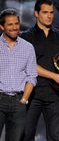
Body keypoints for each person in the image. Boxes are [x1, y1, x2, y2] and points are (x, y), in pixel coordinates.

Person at [21, 0, 59, 141]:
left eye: (51, 12)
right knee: (26, 135)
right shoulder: (25, 37)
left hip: (55, 95)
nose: (49, 16)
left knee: (56, 137)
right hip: (32, 94)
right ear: (36, 14)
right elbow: (29, 64)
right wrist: (54, 76)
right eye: (45, 12)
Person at [0, 9, 37, 141]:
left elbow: (32, 76)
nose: (14, 27)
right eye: (10, 24)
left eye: (16, 23)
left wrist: (24, 100)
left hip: (19, 102)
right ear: (2, 26)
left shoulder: (28, 47)